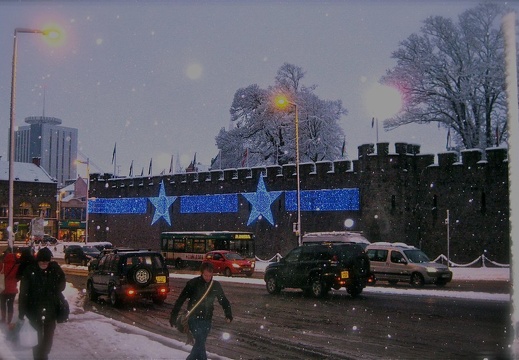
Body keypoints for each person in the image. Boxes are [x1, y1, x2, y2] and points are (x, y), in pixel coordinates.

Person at [169, 262, 233, 360]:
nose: (207, 278)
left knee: (200, 343)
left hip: (207, 319)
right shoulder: (193, 284)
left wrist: (228, 314)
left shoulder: (215, 285)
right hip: (193, 318)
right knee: (199, 340)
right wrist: (173, 315)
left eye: (210, 276)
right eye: (205, 275)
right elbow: (180, 300)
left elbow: (223, 300)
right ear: (201, 273)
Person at [18, 247, 66, 360]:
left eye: (46, 261)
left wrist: (58, 273)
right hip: (34, 311)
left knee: (48, 340)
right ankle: (39, 357)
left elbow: (61, 286)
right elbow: (23, 293)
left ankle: (43, 355)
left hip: (51, 311)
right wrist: (22, 312)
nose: (44, 263)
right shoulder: (30, 271)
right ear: (38, 260)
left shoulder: (54, 270)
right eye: (42, 261)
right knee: (37, 340)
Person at [1, 248, 19, 325]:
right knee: (10, 305)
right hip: (12, 290)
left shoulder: (2, 265)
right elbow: (18, 277)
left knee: (2, 304)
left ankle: (3, 318)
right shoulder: (16, 267)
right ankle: (9, 320)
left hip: (2, 289)